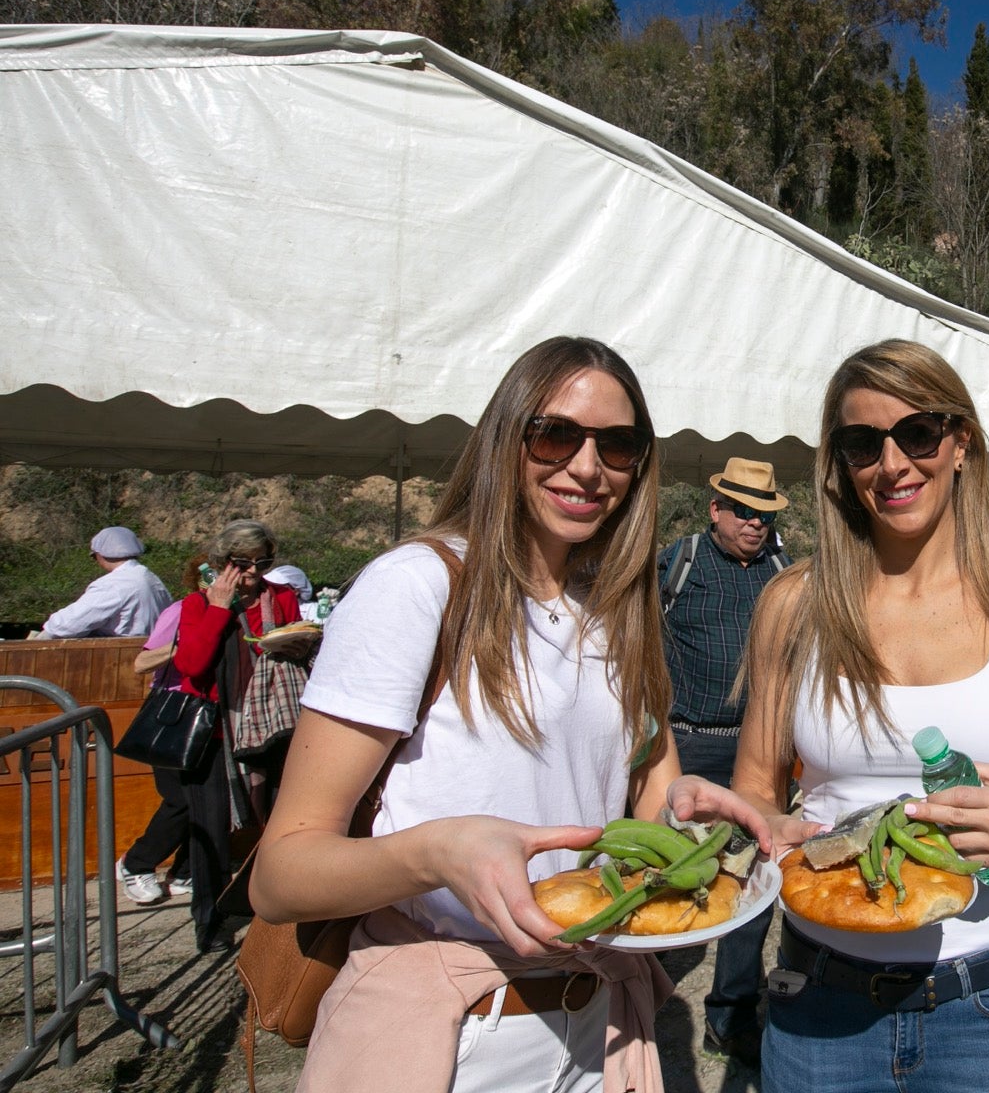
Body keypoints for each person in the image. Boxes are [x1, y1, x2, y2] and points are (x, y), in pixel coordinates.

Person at [251, 337, 770, 1091]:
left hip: (601, 1028)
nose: (588, 467)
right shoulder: (417, 588)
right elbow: (281, 875)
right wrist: (435, 855)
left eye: (618, 446)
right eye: (555, 433)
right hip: (444, 1036)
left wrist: (681, 816)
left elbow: (653, 799)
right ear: (505, 439)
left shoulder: (619, 612)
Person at [731, 339, 989, 1093]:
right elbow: (754, 787)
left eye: (918, 433)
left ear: (961, 442)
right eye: (862, 443)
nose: (893, 464)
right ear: (840, 462)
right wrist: (760, 829)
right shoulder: (793, 606)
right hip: (821, 1005)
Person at [656, 456, 790, 1067]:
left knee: (752, 878)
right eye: (742, 511)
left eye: (763, 514)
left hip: (760, 751)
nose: (754, 524)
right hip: (687, 746)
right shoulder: (676, 562)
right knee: (668, 871)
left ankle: (731, 1015)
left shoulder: (786, 572)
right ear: (716, 509)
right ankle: (639, 999)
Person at [159, 520, 300, 951]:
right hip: (215, 731)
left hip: (273, 724)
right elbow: (192, 665)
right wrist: (219, 607)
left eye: (263, 562)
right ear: (221, 563)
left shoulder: (283, 597)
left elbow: (295, 642)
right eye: (243, 563)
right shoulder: (198, 604)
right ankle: (210, 917)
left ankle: (284, 908)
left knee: (283, 820)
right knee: (211, 828)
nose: (254, 571)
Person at [116, 554, 206, 907]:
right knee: (179, 798)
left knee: (206, 799)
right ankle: (136, 864)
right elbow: (142, 662)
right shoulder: (181, 611)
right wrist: (187, 646)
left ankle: (184, 870)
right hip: (175, 712)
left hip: (212, 714)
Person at [36, 526, 171, 638]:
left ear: (100, 555)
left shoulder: (114, 584)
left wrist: (45, 633)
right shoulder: (152, 579)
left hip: (123, 656)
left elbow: (69, 623)